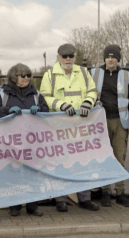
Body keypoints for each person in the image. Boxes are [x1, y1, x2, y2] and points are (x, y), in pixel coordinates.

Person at [40, 43, 99, 212]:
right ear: (58, 57)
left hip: (81, 126)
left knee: (83, 162)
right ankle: (61, 200)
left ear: (75, 57)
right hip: (59, 125)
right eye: (64, 56)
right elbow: (44, 96)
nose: (67, 59)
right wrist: (61, 105)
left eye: (71, 56)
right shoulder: (50, 75)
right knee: (61, 163)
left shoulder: (83, 72)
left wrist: (88, 102)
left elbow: (92, 90)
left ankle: (85, 199)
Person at [0, 63, 49, 217]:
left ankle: (32, 205)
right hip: (11, 141)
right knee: (13, 173)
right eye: (23, 76)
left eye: (29, 75)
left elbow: (46, 110)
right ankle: (14, 206)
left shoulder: (35, 93)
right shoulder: (3, 94)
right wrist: (7, 111)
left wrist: (40, 109)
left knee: (32, 173)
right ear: (15, 77)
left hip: (32, 140)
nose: (27, 78)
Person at [90, 44, 129, 207]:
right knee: (104, 157)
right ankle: (105, 192)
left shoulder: (126, 75)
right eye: (108, 56)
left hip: (120, 122)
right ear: (104, 58)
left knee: (119, 158)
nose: (110, 59)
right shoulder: (94, 73)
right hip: (100, 122)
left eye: (114, 57)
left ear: (118, 59)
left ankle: (120, 192)